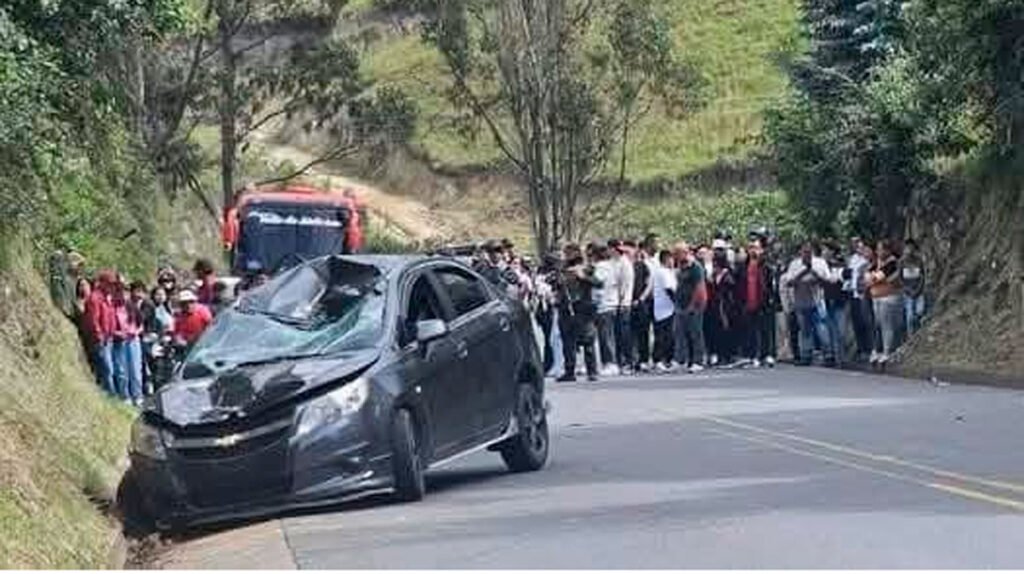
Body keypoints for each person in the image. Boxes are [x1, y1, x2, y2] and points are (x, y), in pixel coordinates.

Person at [554, 244, 602, 382]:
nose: (566, 256)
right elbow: (556, 286)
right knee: (567, 342)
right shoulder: (561, 270)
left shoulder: (587, 268)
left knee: (588, 340)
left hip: (583, 309)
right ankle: (570, 371)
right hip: (565, 309)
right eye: (566, 253)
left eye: (569, 253)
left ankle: (592, 371)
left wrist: (582, 277)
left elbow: (598, 283)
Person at [783, 242, 834, 366]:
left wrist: (815, 274)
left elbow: (828, 280)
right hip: (801, 302)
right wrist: (804, 271)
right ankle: (806, 355)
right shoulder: (794, 264)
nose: (807, 254)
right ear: (800, 253)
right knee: (805, 331)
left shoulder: (820, 263)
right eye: (804, 252)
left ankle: (828, 355)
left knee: (822, 328)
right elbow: (788, 282)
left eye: (809, 252)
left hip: (817, 301)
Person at [737, 238, 777, 367]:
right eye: (751, 247)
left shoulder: (766, 266)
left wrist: (771, 299)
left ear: (761, 250)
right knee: (752, 331)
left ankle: (768, 355)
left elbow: (770, 284)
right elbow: (739, 285)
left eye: (756, 247)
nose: (753, 250)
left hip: (764, 302)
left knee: (766, 329)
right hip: (748, 301)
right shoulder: (743, 266)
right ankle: (754, 355)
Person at [866, 239, 903, 366]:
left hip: (888, 298)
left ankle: (887, 352)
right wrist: (873, 278)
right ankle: (878, 350)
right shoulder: (877, 262)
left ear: (887, 250)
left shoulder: (892, 262)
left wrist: (873, 278)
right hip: (876, 297)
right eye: (877, 249)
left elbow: (877, 277)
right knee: (878, 325)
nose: (877, 251)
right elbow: (867, 277)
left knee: (887, 325)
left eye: (880, 249)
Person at [673, 243, 708, 373]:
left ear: (685, 252)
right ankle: (682, 360)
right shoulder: (681, 267)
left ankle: (698, 361)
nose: (676, 256)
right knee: (681, 333)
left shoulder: (696, 267)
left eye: (678, 253)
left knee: (695, 332)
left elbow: (699, 287)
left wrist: (692, 305)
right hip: (681, 304)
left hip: (695, 305)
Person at [81, 271, 116, 396]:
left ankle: (107, 394)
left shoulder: (107, 299)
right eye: (109, 284)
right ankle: (109, 395)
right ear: (101, 283)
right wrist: (99, 337)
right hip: (98, 340)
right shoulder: (94, 299)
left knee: (109, 369)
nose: (112, 287)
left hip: (108, 339)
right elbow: (93, 320)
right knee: (106, 369)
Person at [111, 277, 144, 405]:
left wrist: (136, 331)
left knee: (135, 369)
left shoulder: (132, 306)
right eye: (120, 291)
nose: (123, 294)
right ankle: (125, 395)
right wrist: (117, 333)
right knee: (122, 370)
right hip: (119, 341)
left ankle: (138, 395)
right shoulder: (113, 307)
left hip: (133, 340)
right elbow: (109, 326)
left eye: (125, 291)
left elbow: (141, 325)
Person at [709, 243, 739, 366]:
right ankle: (720, 355)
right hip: (716, 305)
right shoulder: (715, 274)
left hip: (726, 306)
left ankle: (729, 355)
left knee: (727, 329)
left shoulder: (727, 274)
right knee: (718, 330)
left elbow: (731, 288)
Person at [592, 243, 620, 375]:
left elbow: (598, 281)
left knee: (606, 336)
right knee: (606, 335)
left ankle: (610, 362)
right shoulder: (610, 265)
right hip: (608, 303)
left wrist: (584, 277)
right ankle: (607, 362)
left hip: (604, 304)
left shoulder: (602, 266)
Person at [845, 237, 874, 361]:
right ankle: (861, 349)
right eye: (855, 245)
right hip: (853, 293)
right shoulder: (852, 259)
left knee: (867, 322)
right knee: (857, 322)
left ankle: (869, 348)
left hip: (865, 294)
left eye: (860, 245)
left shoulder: (868, 260)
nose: (858, 248)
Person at [609, 239, 636, 374]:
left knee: (624, 334)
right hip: (614, 303)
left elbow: (624, 284)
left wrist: (621, 300)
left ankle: (628, 362)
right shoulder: (613, 262)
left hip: (623, 303)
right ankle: (618, 361)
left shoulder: (624, 263)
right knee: (616, 334)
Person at [822, 241, 848, 366]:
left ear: (832, 252)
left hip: (839, 301)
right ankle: (831, 355)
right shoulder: (820, 266)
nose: (824, 253)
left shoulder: (840, 264)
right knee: (829, 330)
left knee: (841, 331)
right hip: (825, 301)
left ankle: (841, 357)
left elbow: (845, 278)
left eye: (826, 250)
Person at [651, 249, 677, 371]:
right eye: (671, 258)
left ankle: (666, 359)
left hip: (665, 308)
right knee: (663, 336)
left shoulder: (667, 272)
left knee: (666, 335)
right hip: (665, 309)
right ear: (666, 259)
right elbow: (669, 289)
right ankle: (658, 359)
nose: (673, 261)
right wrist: (677, 302)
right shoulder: (663, 272)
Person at [630, 239, 654, 372]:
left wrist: (641, 298)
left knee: (643, 333)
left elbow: (649, 283)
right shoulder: (626, 265)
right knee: (630, 334)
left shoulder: (641, 265)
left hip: (641, 304)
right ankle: (633, 360)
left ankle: (644, 360)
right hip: (627, 305)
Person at [901, 239, 926, 335]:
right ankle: (910, 335)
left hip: (919, 291)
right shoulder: (902, 262)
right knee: (910, 316)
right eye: (907, 247)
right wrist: (907, 289)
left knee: (920, 311)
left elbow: (922, 276)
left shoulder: (919, 261)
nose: (909, 249)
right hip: (907, 292)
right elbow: (900, 278)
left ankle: (920, 333)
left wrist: (919, 289)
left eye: (911, 247)